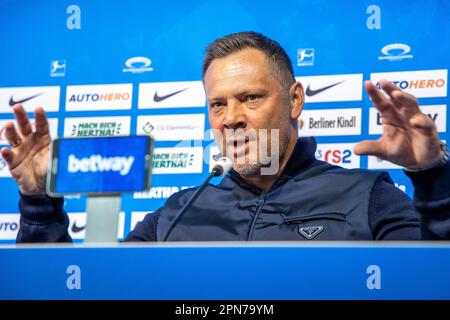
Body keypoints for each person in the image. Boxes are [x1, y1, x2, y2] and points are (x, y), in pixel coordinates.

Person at [2, 31, 449, 242]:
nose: (231, 118)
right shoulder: (175, 214)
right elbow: (81, 293)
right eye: (218, 104)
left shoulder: (367, 195)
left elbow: (431, 284)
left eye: (251, 98)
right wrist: (41, 204)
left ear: (295, 100)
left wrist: (433, 178)